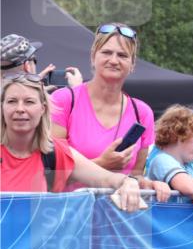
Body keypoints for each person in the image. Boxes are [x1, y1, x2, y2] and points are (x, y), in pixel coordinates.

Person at [1, 73, 150, 210]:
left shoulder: (56, 153)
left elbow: (107, 178)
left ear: (42, 109)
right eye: (12, 101)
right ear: (2, 107)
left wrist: (128, 183)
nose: (20, 109)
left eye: (29, 102)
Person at [49, 24, 163, 196]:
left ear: (132, 64)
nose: (114, 60)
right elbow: (50, 173)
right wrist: (102, 163)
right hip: (71, 215)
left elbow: (136, 175)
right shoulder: (64, 101)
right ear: (93, 57)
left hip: (120, 216)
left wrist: (150, 184)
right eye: (107, 52)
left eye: (122, 55)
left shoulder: (142, 113)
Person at [1, 33, 83, 92]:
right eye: (34, 60)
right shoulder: (40, 107)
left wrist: (34, 81)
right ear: (27, 66)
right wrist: (77, 89)